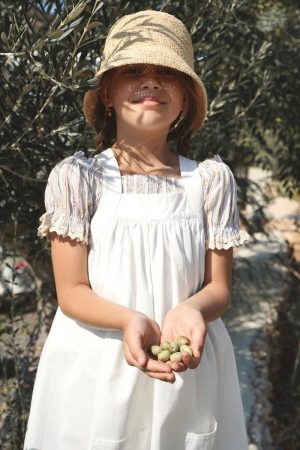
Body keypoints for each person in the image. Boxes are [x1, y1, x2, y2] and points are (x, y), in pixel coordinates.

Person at [24, 10, 250, 450]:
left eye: (167, 72)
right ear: (107, 93)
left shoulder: (210, 182)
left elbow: (218, 288)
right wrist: (131, 320)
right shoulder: (78, 179)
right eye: (133, 72)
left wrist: (190, 311)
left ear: (186, 98)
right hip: (98, 366)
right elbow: (71, 291)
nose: (151, 81)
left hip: (187, 368)